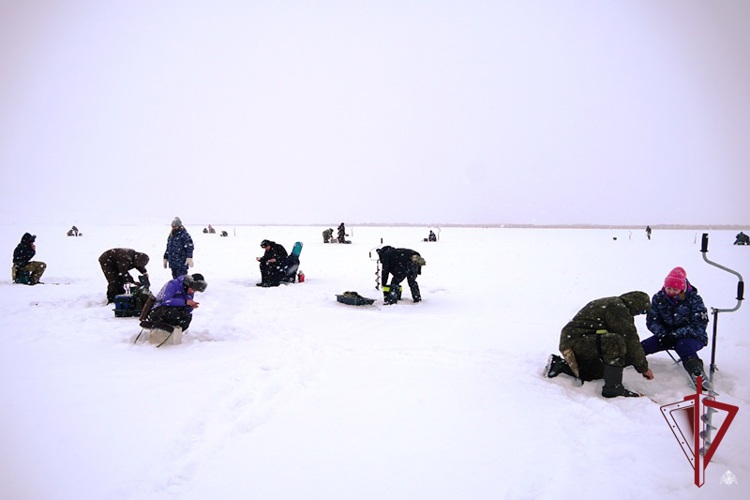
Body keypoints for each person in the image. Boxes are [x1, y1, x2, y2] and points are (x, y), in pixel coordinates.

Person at [545, 291, 654, 398]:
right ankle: (613, 388)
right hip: (576, 342)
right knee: (615, 341)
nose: (637, 314)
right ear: (634, 304)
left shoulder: (611, 303)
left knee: (600, 372)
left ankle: (560, 365)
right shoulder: (617, 308)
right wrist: (643, 368)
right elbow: (630, 339)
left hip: (572, 343)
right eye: (639, 312)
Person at [641, 267, 711, 390]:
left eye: (675, 289)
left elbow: (698, 325)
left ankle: (699, 377)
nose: (671, 291)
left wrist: (676, 335)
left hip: (691, 337)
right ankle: (614, 365)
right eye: (668, 288)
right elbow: (652, 320)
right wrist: (662, 334)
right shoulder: (658, 298)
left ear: (682, 288)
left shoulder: (694, 300)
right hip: (666, 336)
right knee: (643, 347)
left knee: (683, 346)